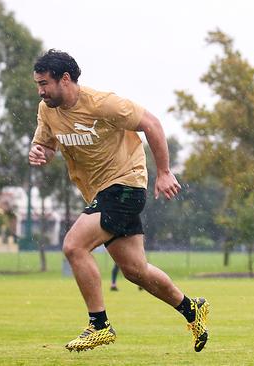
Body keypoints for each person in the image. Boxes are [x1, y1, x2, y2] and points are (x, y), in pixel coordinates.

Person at [29, 49, 209, 353]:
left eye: (45, 83)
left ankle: (99, 325)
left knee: (73, 245)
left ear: (65, 79)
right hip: (99, 193)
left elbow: (151, 123)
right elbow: (45, 146)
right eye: (38, 85)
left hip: (125, 184)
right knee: (135, 270)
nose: (41, 91)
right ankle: (191, 308)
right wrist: (38, 153)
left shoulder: (103, 104)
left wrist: (164, 172)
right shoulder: (47, 110)